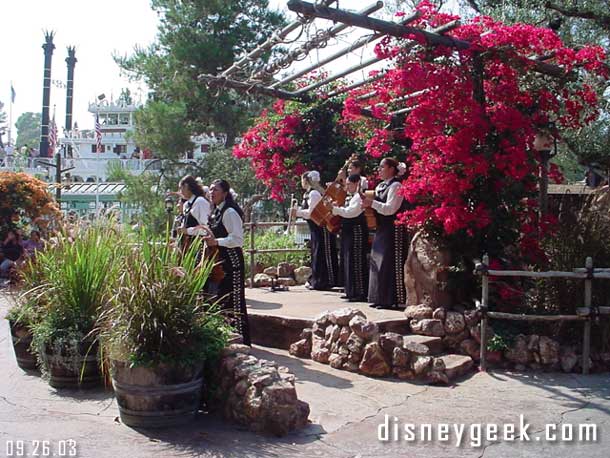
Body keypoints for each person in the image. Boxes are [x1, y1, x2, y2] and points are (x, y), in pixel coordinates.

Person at [202, 179, 250, 345]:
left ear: (224, 193)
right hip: (219, 261)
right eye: (210, 189)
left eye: (216, 189)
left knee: (233, 300)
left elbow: (237, 239)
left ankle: (240, 341)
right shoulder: (215, 212)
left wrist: (216, 242)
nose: (212, 193)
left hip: (232, 261)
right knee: (221, 298)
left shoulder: (229, 212)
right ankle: (225, 339)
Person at [362, 158, 409, 309]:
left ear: (391, 169)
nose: (379, 170)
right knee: (377, 263)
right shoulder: (380, 186)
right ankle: (379, 298)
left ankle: (391, 299)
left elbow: (390, 209)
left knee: (389, 263)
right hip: (381, 228)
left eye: (382, 167)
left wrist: (372, 204)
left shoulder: (396, 186)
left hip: (392, 229)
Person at [292, 171, 339, 290]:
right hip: (314, 228)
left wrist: (297, 212)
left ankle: (324, 280)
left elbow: (313, 213)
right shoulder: (309, 194)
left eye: (302, 179)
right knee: (316, 252)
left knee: (321, 253)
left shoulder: (314, 194)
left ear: (307, 181)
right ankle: (317, 279)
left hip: (320, 227)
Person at [332, 174, 369, 301]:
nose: (347, 187)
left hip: (356, 231)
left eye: (349, 184)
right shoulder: (352, 197)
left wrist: (335, 209)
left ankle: (359, 292)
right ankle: (350, 290)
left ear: (357, 183)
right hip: (348, 232)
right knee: (348, 261)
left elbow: (351, 213)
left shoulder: (360, 197)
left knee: (356, 261)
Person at [176, 175, 211, 248]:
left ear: (186, 186)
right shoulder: (186, 204)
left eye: (181, 189)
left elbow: (207, 229)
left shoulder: (200, 202)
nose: (180, 192)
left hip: (199, 246)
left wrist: (187, 231)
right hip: (187, 247)